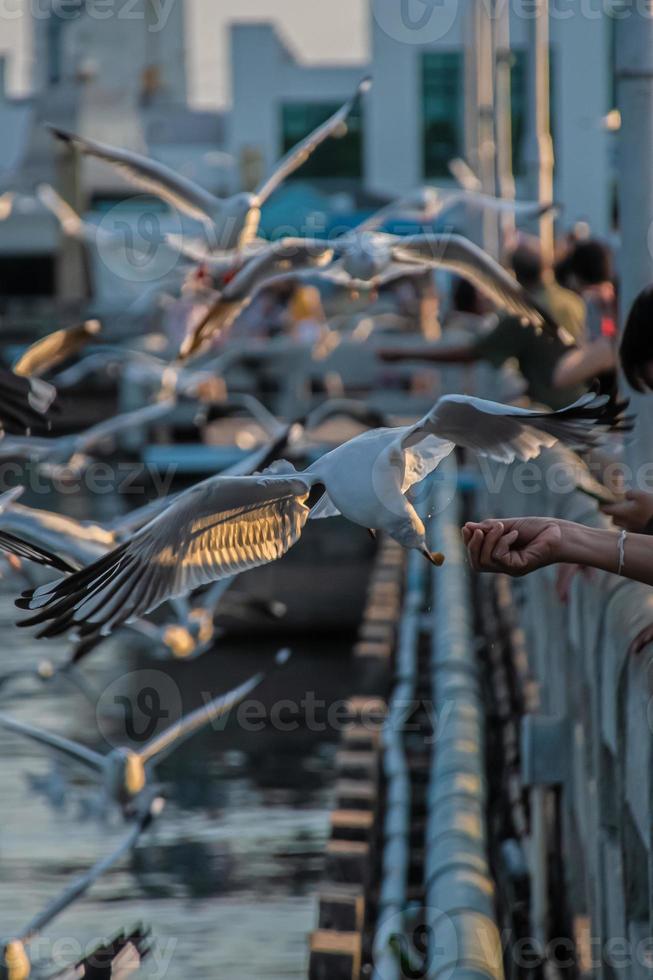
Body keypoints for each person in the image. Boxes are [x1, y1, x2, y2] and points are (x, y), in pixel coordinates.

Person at [379, 239, 587, 410]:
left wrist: (404, 354)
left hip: (555, 406)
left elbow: (473, 353)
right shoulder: (574, 301)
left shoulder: (522, 316)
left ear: (512, 273)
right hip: (583, 398)